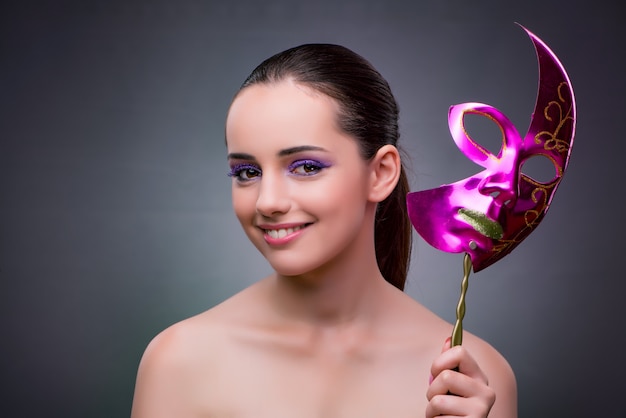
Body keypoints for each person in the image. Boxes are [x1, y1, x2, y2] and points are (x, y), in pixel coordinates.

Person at [130, 43, 517, 417]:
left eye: (306, 167)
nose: (267, 202)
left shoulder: (470, 379)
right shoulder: (180, 361)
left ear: (381, 173)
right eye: (247, 172)